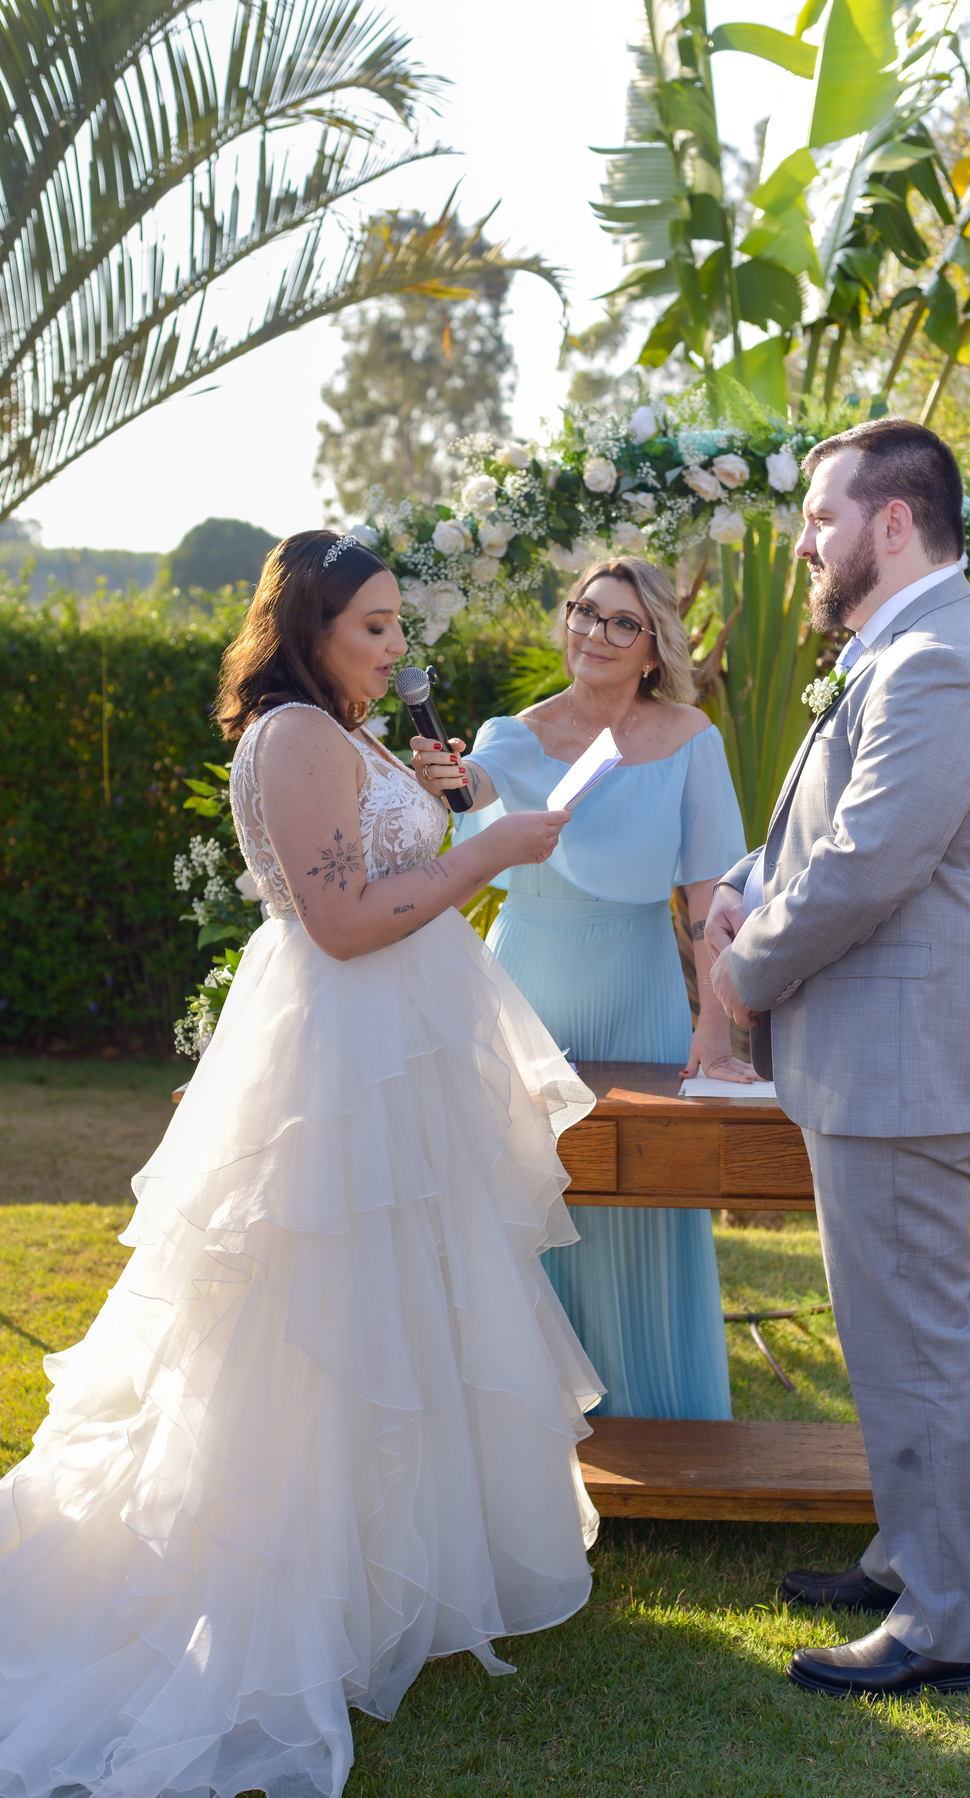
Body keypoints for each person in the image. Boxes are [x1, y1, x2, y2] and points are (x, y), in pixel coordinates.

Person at [0, 531, 604, 1798]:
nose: (395, 646)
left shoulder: (349, 734)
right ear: (309, 627)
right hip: (339, 1062)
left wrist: (437, 801)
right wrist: (486, 853)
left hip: (397, 1052)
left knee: (406, 1301)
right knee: (319, 1316)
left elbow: (385, 869)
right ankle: (285, 1586)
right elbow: (339, 924)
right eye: (372, 626)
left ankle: (387, 1574)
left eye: (397, 625)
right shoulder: (293, 736)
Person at [707, 419, 970, 1700]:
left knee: (914, 1341)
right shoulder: (903, 646)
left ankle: (948, 1623)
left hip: (903, 1057)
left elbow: (866, 864)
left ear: (893, 522)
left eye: (820, 520)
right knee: (889, 1331)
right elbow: (826, 827)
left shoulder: (937, 658)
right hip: (883, 1054)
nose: (806, 546)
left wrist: (742, 972)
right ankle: (910, 1556)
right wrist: (743, 883)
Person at [412, 556, 755, 1422]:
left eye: (621, 622)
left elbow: (708, 895)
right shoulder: (512, 732)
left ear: (655, 648)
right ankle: (523, 1429)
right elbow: (474, 787)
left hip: (640, 988)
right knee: (524, 1196)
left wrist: (713, 1030)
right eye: (584, 611)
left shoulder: (691, 738)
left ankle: (658, 1422)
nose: (594, 633)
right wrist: (449, 776)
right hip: (525, 986)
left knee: (645, 1193)